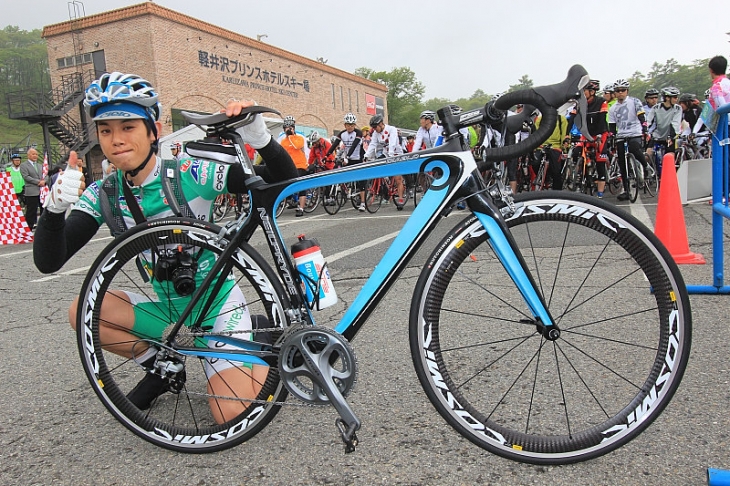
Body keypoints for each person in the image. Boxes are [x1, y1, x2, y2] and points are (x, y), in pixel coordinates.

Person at [33, 71, 297, 419]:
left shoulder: (189, 173)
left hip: (216, 307)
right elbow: (50, 261)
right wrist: (52, 211)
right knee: (81, 311)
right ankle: (164, 365)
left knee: (231, 415)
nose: (116, 140)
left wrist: (261, 141)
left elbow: (285, 180)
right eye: (106, 130)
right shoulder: (104, 194)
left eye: (128, 127)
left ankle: (257, 339)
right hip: (172, 313)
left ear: (153, 129)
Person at [608, 78, 649, 202]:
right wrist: (612, 137)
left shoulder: (634, 102)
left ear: (627, 91)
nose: (620, 92)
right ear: (615, 92)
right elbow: (612, 125)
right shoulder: (613, 108)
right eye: (618, 90)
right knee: (622, 162)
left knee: (634, 148)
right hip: (621, 134)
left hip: (635, 132)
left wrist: (645, 129)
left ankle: (645, 166)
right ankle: (626, 190)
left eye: (623, 90)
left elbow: (642, 116)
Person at [364, 114, 405, 209]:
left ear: (381, 124)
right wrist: (366, 155)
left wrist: (391, 155)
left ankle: (401, 198)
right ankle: (385, 188)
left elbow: (392, 143)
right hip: (386, 154)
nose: (374, 129)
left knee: (398, 178)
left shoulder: (392, 129)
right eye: (372, 128)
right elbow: (373, 145)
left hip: (396, 153)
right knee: (377, 167)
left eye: (375, 127)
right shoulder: (375, 133)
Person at [327, 113, 366, 210]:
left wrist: (347, 156)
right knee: (338, 170)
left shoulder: (358, 133)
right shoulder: (342, 134)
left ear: (355, 125)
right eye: (348, 125)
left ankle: (362, 203)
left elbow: (353, 146)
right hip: (347, 158)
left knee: (361, 181)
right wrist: (326, 155)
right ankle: (342, 191)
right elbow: (334, 145)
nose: (350, 127)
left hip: (357, 158)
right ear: (345, 125)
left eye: (352, 125)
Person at [583, 79, 610, 197]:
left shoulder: (602, 102)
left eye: (585, 90)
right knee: (577, 152)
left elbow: (602, 120)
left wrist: (599, 136)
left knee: (600, 163)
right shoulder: (581, 103)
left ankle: (600, 194)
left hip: (600, 133)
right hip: (587, 133)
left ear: (592, 92)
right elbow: (573, 119)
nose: (583, 93)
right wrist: (568, 135)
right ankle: (585, 171)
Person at [278, 115, 309, 216]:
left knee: (301, 186)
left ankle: (301, 208)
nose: (288, 130)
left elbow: (297, 146)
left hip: (300, 165)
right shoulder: (283, 141)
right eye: (286, 128)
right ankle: (289, 201)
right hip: (289, 166)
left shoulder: (299, 138)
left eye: (290, 128)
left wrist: (291, 135)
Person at [646, 86, 682, 160]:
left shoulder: (678, 108)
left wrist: (670, 136)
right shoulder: (656, 108)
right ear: (668, 98)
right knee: (647, 154)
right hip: (657, 135)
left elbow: (675, 123)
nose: (677, 99)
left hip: (670, 135)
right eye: (675, 97)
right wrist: (645, 131)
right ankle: (648, 170)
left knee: (670, 157)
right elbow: (648, 121)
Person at [19, 147, 46, 229]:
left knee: (43, 210)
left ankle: (43, 227)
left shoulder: (40, 165)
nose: (35, 156)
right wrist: (38, 182)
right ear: (28, 155)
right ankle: (29, 228)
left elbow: (46, 175)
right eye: (33, 154)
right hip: (31, 191)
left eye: (36, 154)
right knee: (31, 211)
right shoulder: (23, 165)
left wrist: (44, 181)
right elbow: (26, 177)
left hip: (42, 192)